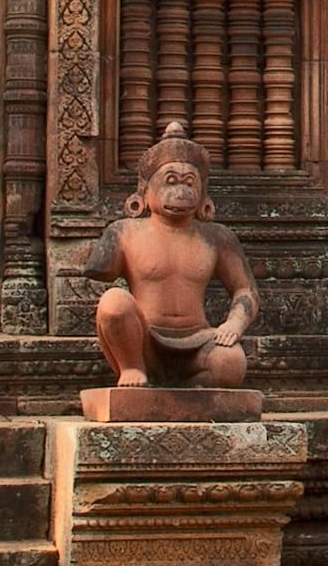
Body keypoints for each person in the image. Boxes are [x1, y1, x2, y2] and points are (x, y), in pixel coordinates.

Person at [89, 128, 259, 390]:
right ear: (144, 192)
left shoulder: (217, 237)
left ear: (203, 193)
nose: (181, 191)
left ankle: (183, 392)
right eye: (171, 181)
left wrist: (234, 323)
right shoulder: (124, 232)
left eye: (190, 182)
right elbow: (100, 272)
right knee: (113, 302)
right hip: (144, 340)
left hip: (199, 342)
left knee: (231, 363)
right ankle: (133, 369)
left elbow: (245, 289)